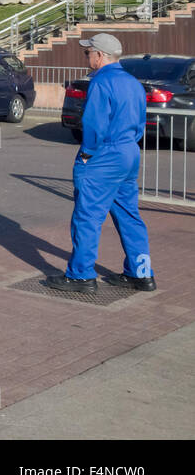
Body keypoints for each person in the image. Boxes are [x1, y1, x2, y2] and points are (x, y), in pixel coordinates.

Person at [49, 33, 155, 292]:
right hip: (129, 151)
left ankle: (81, 275)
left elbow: (94, 124)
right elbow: (140, 122)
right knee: (129, 215)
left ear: (99, 55)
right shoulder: (133, 82)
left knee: (88, 216)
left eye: (88, 52)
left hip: (105, 155)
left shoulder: (101, 82)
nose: (86, 56)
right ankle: (141, 273)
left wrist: (87, 153)